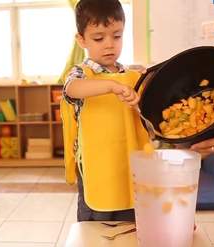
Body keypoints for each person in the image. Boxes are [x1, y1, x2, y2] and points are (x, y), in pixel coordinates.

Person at [61, 0, 149, 222]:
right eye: (99, 38)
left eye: (117, 36)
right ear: (81, 40)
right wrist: (110, 86)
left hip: (129, 161)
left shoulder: (130, 75)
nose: (109, 44)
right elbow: (71, 89)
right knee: (97, 223)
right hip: (96, 164)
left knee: (130, 218)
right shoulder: (81, 73)